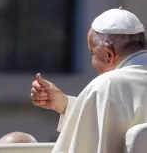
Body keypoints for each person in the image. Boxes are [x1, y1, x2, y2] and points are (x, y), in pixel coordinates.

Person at [31, 8, 147, 153]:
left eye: (92, 53)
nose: (93, 63)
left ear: (109, 54)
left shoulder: (105, 86)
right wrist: (65, 104)